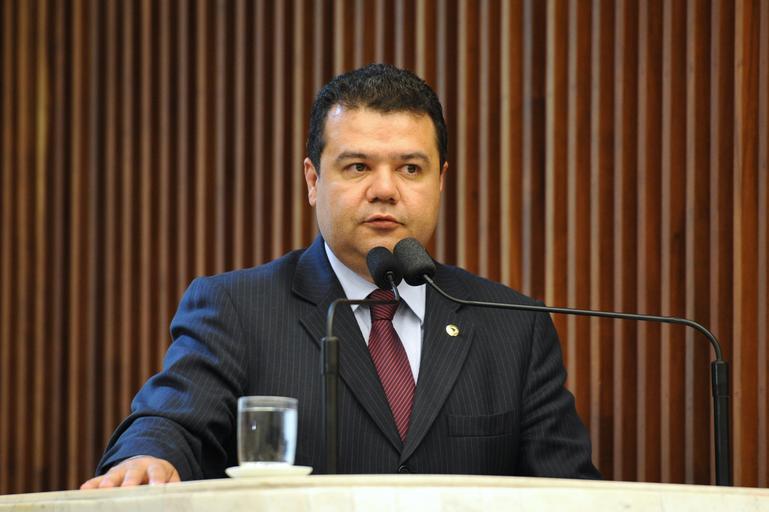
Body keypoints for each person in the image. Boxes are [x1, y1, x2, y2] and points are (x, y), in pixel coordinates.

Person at [81, 63, 600, 489]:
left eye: (410, 168)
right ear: (313, 180)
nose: (385, 189)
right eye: (358, 167)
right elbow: (170, 421)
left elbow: (572, 491)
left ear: (441, 182)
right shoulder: (236, 309)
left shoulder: (514, 325)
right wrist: (146, 458)